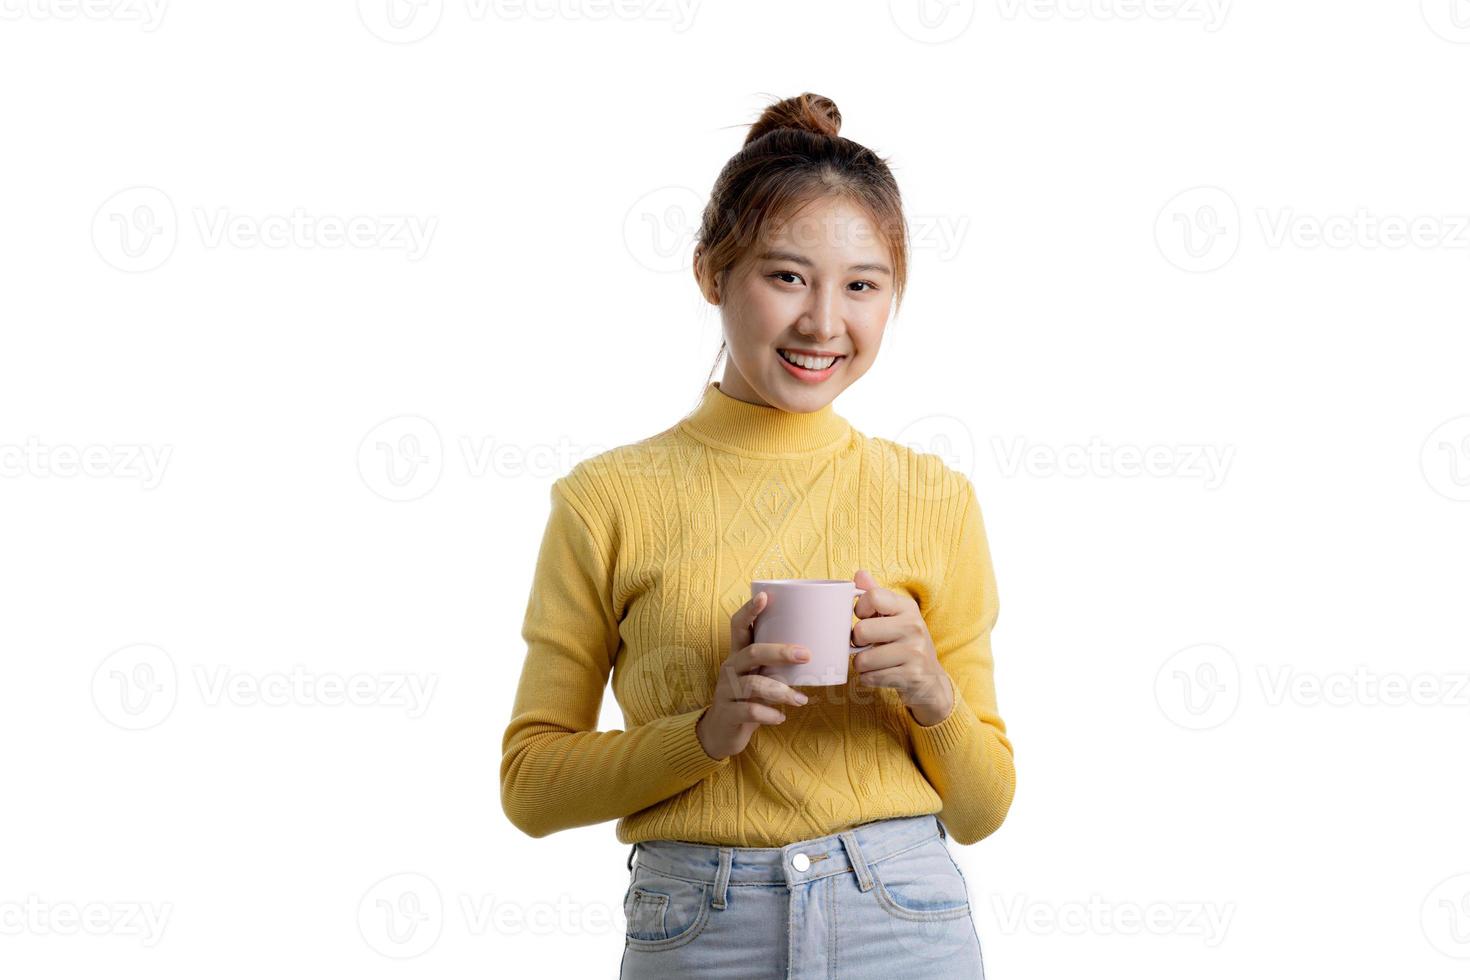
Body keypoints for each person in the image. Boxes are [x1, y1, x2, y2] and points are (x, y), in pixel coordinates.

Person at [500, 91, 1015, 979]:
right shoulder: (605, 500)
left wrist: (932, 692)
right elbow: (530, 788)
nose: (823, 322)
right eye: (786, 276)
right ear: (711, 273)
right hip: (699, 925)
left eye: (862, 285)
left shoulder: (935, 496)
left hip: (904, 914)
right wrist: (703, 734)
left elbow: (981, 810)